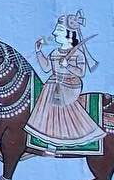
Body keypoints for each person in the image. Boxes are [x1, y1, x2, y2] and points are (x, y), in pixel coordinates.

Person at [27, 11, 104, 146]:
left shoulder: (78, 53)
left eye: (59, 30)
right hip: (53, 84)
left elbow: (80, 72)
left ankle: (66, 137)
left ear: (70, 34)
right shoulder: (55, 52)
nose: (55, 33)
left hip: (69, 86)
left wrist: (68, 65)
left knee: (58, 105)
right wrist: (38, 52)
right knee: (47, 101)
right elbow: (46, 68)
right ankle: (49, 137)